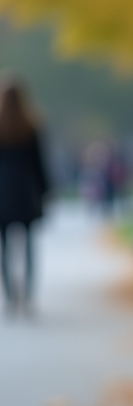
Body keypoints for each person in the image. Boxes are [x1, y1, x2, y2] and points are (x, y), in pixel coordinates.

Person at [0, 76, 51, 318]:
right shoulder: (30, 125)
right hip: (25, 192)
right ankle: (28, 295)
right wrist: (45, 192)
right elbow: (39, 163)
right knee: (29, 246)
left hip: (2, 195)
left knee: (5, 248)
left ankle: (11, 296)